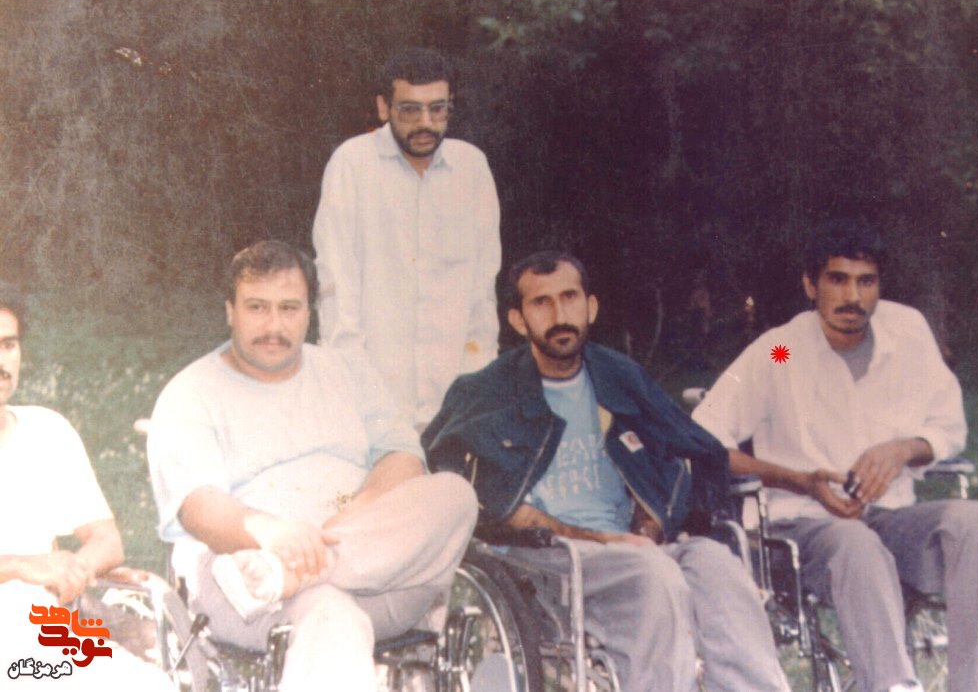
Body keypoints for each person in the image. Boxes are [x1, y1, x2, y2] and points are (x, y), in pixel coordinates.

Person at [423, 251, 791, 692]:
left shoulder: (619, 376)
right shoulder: (488, 393)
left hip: (632, 548)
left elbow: (676, 456)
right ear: (518, 320)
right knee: (652, 575)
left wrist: (649, 526)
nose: (560, 315)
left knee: (718, 566)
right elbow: (485, 502)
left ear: (591, 306)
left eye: (569, 297)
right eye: (541, 303)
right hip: (547, 559)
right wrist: (607, 541)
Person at [692, 218, 978, 692]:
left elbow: (948, 427)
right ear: (811, 285)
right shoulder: (781, 352)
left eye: (866, 282)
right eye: (837, 280)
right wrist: (800, 480)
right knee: (855, 544)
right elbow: (703, 441)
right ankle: (893, 685)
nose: (853, 297)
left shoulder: (907, 333)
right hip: (804, 526)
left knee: (975, 526)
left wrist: (905, 448)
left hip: (892, 518)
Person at [146, 241, 477, 691]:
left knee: (454, 493)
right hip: (246, 586)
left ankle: (292, 571)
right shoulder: (191, 393)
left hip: (374, 579)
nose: (274, 326)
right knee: (331, 617)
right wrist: (273, 533)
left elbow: (402, 455)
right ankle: (293, 572)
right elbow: (198, 507)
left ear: (309, 313)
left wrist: (346, 524)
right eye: (257, 308)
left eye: (289, 308)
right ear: (230, 311)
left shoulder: (347, 373)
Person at [312, 47, 501, 432]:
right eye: (410, 110)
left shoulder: (472, 168)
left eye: (437, 109)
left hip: (456, 404)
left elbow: (482, 297)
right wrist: (355, 396)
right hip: (374, 403)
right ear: (384, 107)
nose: (425, 123)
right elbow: (335, 290)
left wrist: (478, 392)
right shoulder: (352, 164)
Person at [0, 282, 174, 690]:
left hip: (43, 626)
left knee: (151, 686)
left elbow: (106, 540)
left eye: (8, 345)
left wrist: (73, 569)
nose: (1, 362)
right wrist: (22, 566)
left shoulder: (47, 431)